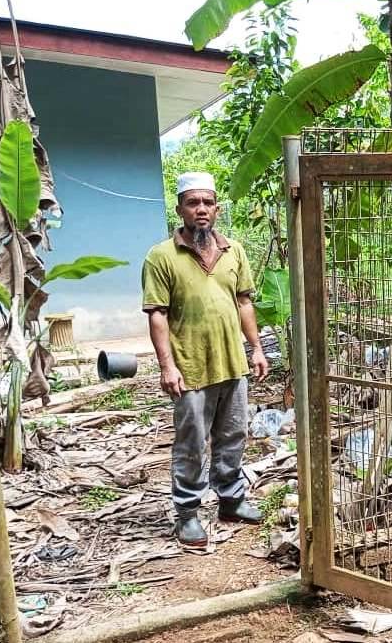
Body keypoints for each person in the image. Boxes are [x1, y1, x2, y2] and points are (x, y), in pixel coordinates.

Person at [142, 171, 269, 546]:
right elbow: (157, 314)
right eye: (193, 202)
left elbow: (244, 302)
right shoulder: (162, 256)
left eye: (208, 203)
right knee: (192, 441)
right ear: (180, 208)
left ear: (217, 209)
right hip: (190, 367)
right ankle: (187, 514)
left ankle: (231, 500)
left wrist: (256, 347)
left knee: (232, 435)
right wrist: (167, 365)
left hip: (232, 363)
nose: (201, 210)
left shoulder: (235, 251)